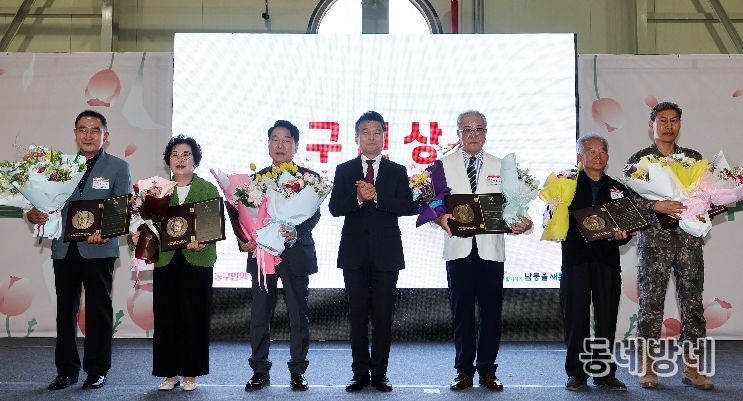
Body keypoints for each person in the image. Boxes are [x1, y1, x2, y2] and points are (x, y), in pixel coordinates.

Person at [27, 110, 131, 390]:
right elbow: (41, 203)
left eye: (95, 130)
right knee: (65, 312)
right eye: (82, 129)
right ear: (75, 134)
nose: (88, 135)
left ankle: (97, 370)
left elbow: (121, 209)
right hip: (65, 249)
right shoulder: (58, 167)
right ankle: (66, 371)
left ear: (105, 136)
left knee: (99, 312)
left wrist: (105, 231)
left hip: (99, 250)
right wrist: (33, 215)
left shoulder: (118, 167)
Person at [433, 110, 532, 391]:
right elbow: (434, 206)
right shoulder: (441, 166)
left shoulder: (503, 166)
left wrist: (524, 223)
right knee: (461, 313)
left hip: (491, 250)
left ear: (486, 133)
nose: (473, 134)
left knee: (491, 313)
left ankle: (488, 370)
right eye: (467, 129)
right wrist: (439, 218)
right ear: (458, 134)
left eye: (478, 129)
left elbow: (515, 207)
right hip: (458, 249)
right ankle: (463, 371)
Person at [626, 102, 713, 390]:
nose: (668, 126)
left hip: (689, 242)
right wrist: (655, 205)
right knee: (651, 306)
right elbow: (627, 199)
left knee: (693, 306)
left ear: (680, 125)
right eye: (662, 120)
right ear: (651, 124)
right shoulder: (640, 160)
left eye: (674, 120)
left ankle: (692, 369)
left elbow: (707, 194)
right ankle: (648, 369)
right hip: (654, 243)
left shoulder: (692, 158)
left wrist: (701, 203)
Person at [328, 111, 413, 392]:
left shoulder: (397, 171)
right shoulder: (344, 170)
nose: (371, 137)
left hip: (387, 255)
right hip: (353, 255)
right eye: (365, 132)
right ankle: (359, 373)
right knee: (357, 317)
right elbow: (334, 208)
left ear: (384, 137)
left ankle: (380, 373)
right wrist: (356, 197)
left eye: (377, 132)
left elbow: (408, 206)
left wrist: (377, 197)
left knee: (383, 317)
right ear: (357, 137)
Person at [132, 135, 218, 392]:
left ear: (195, 160)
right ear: (168, 160)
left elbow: (212, 226)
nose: (180, 159)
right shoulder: (156, 190)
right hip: (166, 260)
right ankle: (169, 373)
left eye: (186, 154)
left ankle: (191, 372)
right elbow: (145, 225)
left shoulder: (207, 188)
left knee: (194, 317)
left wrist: (202, 240)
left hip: (197, 260)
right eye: (175, 154)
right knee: (166, 317)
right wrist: (137, 236)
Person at [242, 120, 320, 392]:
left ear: (296, 146)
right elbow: (244, 217)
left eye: (287, 140)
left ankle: (298, 370)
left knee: (298, 314)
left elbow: (313, 214)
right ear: (268, 144)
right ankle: (259, 369)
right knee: (260, 313)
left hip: (295, 253)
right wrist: (245, 239)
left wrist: (295, 231)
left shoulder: (309, 179)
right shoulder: (256, 181)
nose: (280, 145)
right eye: (275, 139)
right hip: (262, 254)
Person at [560, 134, 631, 391]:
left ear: (608, 157)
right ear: (580, 156)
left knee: (606, 319)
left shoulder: (618, 189)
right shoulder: (565, 186)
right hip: (575, 261)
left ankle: (604, 373)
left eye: (602, 151)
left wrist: (624, 235)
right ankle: (576, 373)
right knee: (575, 319)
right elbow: (553, 220)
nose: (597, 155)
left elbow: (626, 230)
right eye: (591, 151)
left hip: (607, 261)